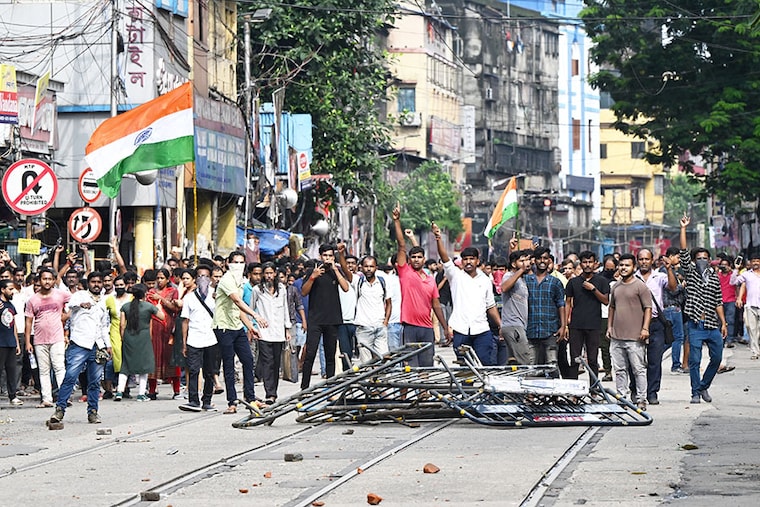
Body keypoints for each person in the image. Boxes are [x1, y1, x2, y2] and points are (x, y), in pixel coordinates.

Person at [49, 272, 111, 425]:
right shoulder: (80, 295)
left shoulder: (104, 301)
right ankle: (60, 410)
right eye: (93, 282)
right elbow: (70, 305)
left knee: (95, 382)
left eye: (99, 282)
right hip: (79, 344)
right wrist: (81, 304)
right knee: (70, 377)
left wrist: (107, 345)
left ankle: (93, 412)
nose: (96, 284)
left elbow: (104, 326)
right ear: (88, 283)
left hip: (97, 345)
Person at [433, 223, 499, 365]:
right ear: (462, 262)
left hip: (482, 329)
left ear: (477, 260)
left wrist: (501, 326)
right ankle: (466, 388)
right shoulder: (455, 276)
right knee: (464, 369)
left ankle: (482, 388)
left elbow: (491, 306)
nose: (468, 262)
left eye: (471, 259)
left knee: (484, 366)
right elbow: (445, 258)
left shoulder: (485, 280)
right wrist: (438, 238)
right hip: (461, 329)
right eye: (466, 259)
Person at [679, 214, 728, 404]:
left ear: (709, 260)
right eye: (698, 258)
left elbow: (718, 301)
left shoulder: (714, 277)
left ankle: (704, 385)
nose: (701, 260)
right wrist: (683, 228)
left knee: (716, 358)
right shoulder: (690, 273)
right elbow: (683, 252)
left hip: (712, 324)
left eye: (704, 258)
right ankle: (695, 392)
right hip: (696, 324)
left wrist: (723, 323)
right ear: (693, 260)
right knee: (695, 360)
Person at [392, 204, 448, 367]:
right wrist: (397, 221)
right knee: (410, 368)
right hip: (410, 328)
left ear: (424, 259)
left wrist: (445, 328)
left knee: (426, 368)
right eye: (413, 257)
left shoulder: (430, 279)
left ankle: (424, 395)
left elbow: (436, 305)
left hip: (427, 329)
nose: (416, 259)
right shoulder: (405, 272)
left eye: (419, 257)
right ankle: (404, 393)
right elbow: (401, 245)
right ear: (409, 259)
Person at [213, 251, 267, 414]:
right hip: (224, 327)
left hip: (237, 326)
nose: (238, 265)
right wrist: (256, 315)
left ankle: (250, 398)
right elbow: (237, 300)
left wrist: (250, 326)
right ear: (228, 263)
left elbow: (238, 308)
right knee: (229, 364)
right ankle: (232, 402)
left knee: (248, 360)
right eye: (235, 262)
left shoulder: (241, 282)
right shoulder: (227, 280)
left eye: (241, 262)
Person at [300, 244, 349, 388]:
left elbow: (346, 288)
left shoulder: (336, 271)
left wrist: (335, 269)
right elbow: (304, 292)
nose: (327, 258)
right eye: (325, 256)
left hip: (332, 319)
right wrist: (313, 277)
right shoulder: (312, 271)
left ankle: (330, 387)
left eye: (330, 256)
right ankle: (304, 388)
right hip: (315, 319)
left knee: (330, 356)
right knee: (310, 354)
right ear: (320, 256)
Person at [606, 253, 652, 411]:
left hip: (635, 337)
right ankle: (621, 399)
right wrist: (609, 327)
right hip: (616, 337)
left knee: (638, 369)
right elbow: (611, 307)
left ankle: (641, 399)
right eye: (621, 265)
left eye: (627, 265)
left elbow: (648, 308)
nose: (623, 268)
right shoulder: (615, 286)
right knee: (619, 370)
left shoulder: (640, 286)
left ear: (634, 267)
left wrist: (645, 328)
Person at [635, 248, 677, 405]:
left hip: (656, 323)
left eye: (647, 259)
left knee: (654, 360)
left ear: (652, 260)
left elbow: (673, 287)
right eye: (641, 259)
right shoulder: (632, 278)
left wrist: (669, 268)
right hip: (636, 323)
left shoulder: (660, 277)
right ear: (637, 261)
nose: (644, 262)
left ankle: (652, 392)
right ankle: (636, 390)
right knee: (636, 360)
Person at [25, 268, 69, 408]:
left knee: (59, 367)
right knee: (43, 371)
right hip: (39, 340)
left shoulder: (60, 295)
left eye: (50, 279)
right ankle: (46, 399)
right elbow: (28, 321)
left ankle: (64, 397)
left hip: (57, 338)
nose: (47, 281)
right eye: (44, 279)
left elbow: (75, 302)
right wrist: (27, 342)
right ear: (39, 280)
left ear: (54, 280)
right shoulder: (33, 299)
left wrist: (68, 315)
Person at [564, 250, 609, 382]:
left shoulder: (601, 281)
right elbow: (567, 303)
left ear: (595, 263)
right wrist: (566, 324)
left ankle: (594, 388)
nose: (587, 264)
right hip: (576, 325)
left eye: (590, 262)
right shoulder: (573, 282)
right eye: (585, 262)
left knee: (593, 359)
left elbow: (606, 301)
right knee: (574, 358)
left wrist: (593, 289)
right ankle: (573, 390)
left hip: (594, 324)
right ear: (581, 264)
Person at [250, 263, 292, 404]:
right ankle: (270, 393)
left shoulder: (282, 289)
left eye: (270, 273)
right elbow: (251, 309)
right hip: (264, 333)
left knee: (276, 363)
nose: (268, 276)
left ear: (275, 274)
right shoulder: (257, 290)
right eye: (266, 273)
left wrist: (287, 329)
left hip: (279, 332)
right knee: (267, 362)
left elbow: (286, 309)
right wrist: (253, 327)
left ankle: (274, 391)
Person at [178, 269, 219, 411]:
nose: (203, 279)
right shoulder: (189, 298)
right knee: (194, 370)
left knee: (209, 371)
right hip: (193, 339)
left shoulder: (216, 296)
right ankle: (193, 400)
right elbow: (185, 321)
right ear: (195, 278)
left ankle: (207, 400)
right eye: (200, 276)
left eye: (207, 276)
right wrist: (184, 342)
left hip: (211, 338)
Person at [117, 284, 165, 401]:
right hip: (143, 337)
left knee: (125, 365)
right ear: (144, 294)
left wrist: (123, 338)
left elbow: (122, 325)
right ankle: (141, 393)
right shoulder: (149, 306)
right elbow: (162, 317)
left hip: (129, 336)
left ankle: (119, 391)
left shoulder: (126, 306)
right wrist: (158, 306)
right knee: (144, 366)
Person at [525, 247, 567, 369]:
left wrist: (563, 326)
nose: (542, 261)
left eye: (545, 258)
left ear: (549, 260)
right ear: (534, 260)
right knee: (530, 368)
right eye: (539, 258)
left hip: (550, 329)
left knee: (552, 366)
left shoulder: (555, 282)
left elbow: (561, 304)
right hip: (530, 329)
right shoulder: (526, 280)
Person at [145, 268, 180, 400]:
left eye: (162, 278)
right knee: (153, 358)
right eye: (158, 278)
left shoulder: (173, 292)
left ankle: (176, 390)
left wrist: (161, 299)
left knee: (170, 357)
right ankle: (152, 390)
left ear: (167, 279)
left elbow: (175, 308)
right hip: (153, 328)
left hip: (168, 327)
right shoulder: (150, 293)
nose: (159, 281)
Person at [353, 255, 391, 363]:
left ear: (376, 268)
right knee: (367, 364)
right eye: (366, 266)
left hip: (380, 327)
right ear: (361, 268)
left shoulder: (383, 282)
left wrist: (386, 321)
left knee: (384, 361)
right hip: (363, 328)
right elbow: (346, 273)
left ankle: (381, 380)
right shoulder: (358, 282)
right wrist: (341, 254)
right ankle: (370, 380)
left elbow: (389, 303)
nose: (369, 269)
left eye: (371, 266)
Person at [499, 248, 533, 365]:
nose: (526, 263)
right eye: (522, 261)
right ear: (514, 264)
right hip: (513, 325)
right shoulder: (509, 275)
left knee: (514, 363)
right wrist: (521, 270)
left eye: (527, 260)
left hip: (520, 326)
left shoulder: (521, 279)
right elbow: (504, 287)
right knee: (525, 361)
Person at [0, 280, 22, 406]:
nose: (12, 291)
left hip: (10, 342)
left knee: (11, 370)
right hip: (1, 342)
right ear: (3, 290)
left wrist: (17, 342)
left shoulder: (10, 305)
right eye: (10, 289)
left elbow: (13, 324)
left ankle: (12, 395)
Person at [736, 251, 760, 359]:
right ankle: (755, 351)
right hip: (751, 305)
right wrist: (736, 269)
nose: (755, 263)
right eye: (753, 261)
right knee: (751, 328)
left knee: (758, 330)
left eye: (757, 261)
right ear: (750, 263)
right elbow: (734, 282)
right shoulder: (746, 274)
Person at [717, 256, 740, 347]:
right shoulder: (717, 275)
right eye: (722, 265)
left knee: (730, 321)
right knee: (719, 322)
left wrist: (735, 269)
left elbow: (733, 283)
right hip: (719, 301)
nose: (724, 267)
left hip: (730, 300)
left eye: (726, 265)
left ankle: (729, 340)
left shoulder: (733, 275)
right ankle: (720, 340)